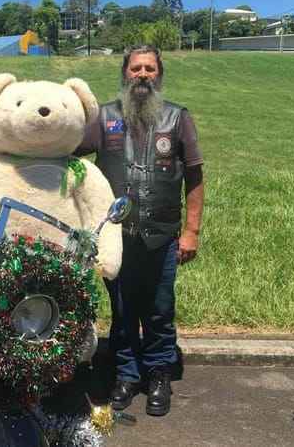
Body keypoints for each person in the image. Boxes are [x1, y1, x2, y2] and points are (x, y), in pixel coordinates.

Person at [76, 43, 205, 416]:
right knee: (121, 309)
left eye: (150, 68)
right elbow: (67, 153)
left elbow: (195, 175)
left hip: (163, 235)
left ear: (159, 75)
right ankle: (126, 375)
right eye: (136, 69)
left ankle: (158, 373)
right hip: (115, 237)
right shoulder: (104, 118)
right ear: (125, 74)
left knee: (160, 309)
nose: (143, 75)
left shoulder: (178, 118)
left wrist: (191, 231)